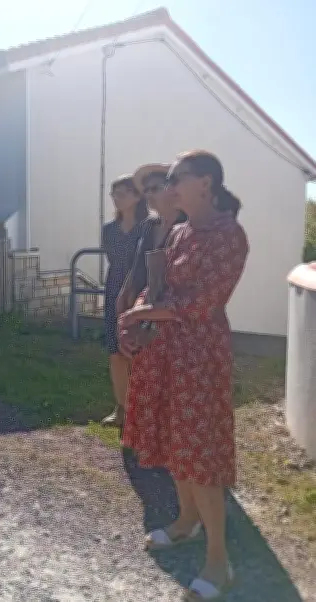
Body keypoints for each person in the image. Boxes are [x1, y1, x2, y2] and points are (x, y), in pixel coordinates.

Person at [119, 151, 248, 601]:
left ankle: (218, 559)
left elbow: (202, 302)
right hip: (165, 352)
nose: (169, 184)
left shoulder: (229, 235)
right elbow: (161, 289)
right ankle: (185, 521)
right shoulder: (177, 231)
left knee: (200, 451)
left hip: (199, 358)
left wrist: (143, 313)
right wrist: (133, 317)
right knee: (175, 440)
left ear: (206, 184)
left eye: (177, 177)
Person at [100, 175, 148, 427]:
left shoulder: (148, 227)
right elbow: (114, 259)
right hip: (114, 290)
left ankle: (139, 409)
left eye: (123, 193)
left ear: (137, 196)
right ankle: (121, 407)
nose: (118, 198)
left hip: (140, 292)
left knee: (135, 353)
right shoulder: (109, 230)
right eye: (114, 194)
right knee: (115, 352)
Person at [116, 163, 186, 315]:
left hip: (169, 310)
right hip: (138, 304)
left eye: (155, 189)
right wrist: (125, 292)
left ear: (172, 189)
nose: (148, 195)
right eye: (146, 190)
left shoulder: (186, 226)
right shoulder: (149, 225)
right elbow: (137, 263)